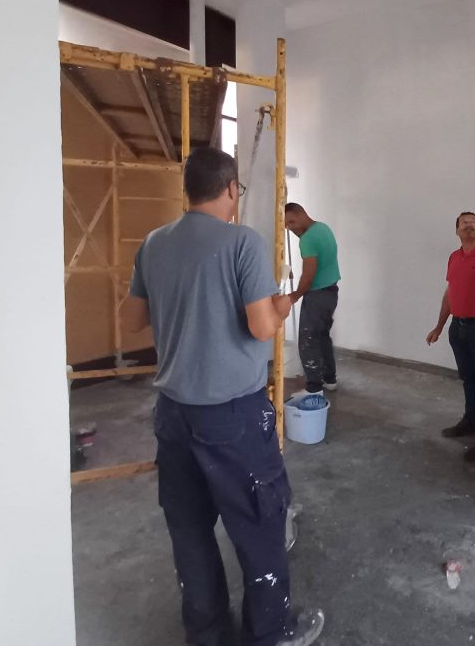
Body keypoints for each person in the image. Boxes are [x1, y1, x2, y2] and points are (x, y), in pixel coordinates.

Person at [121, 148, 324, 646]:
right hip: (232, 416)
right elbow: (260, 327)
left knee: (190, 530)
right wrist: (279, 308)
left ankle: (206, 633)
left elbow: (131, 321)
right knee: (259, 525)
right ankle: (269, 632)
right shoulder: (242, 242)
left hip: (173, 414)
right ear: (232, 189)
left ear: (187, 189)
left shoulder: (153, 243)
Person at [426, 211, 475, 462]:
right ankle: (471, 421)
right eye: (464, 223)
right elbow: (450, 294)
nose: (469, 226)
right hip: (457, 328)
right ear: (457, 231)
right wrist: (439, 327)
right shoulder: (454, 257)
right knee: (468, 379)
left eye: (473, 223)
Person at [283, 204, 340, 395]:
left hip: (317, 296)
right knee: (322, 337)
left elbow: (308, 276)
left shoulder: (307, 239)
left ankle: (314, 388)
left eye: (292, 222)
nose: (290, 228)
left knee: (308, 341)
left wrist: (294, 296)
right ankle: (330, 380)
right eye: (286, 225)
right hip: (331, 292)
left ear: (302, 214)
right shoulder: (323, 228)